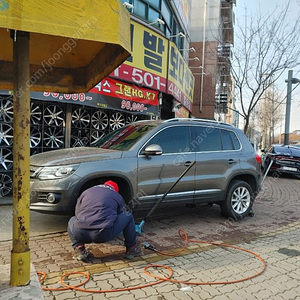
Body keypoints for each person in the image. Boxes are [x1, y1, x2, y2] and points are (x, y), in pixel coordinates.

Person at [67, 180, 141, 262]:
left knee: (72, 220)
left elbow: (77, 213)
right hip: (102, 234)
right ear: (114, 189)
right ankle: (132, 248)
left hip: (80, 233)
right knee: (128, 216)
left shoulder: (86, 192)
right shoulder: (116, 195)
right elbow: (121, 213)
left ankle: (79, 248)